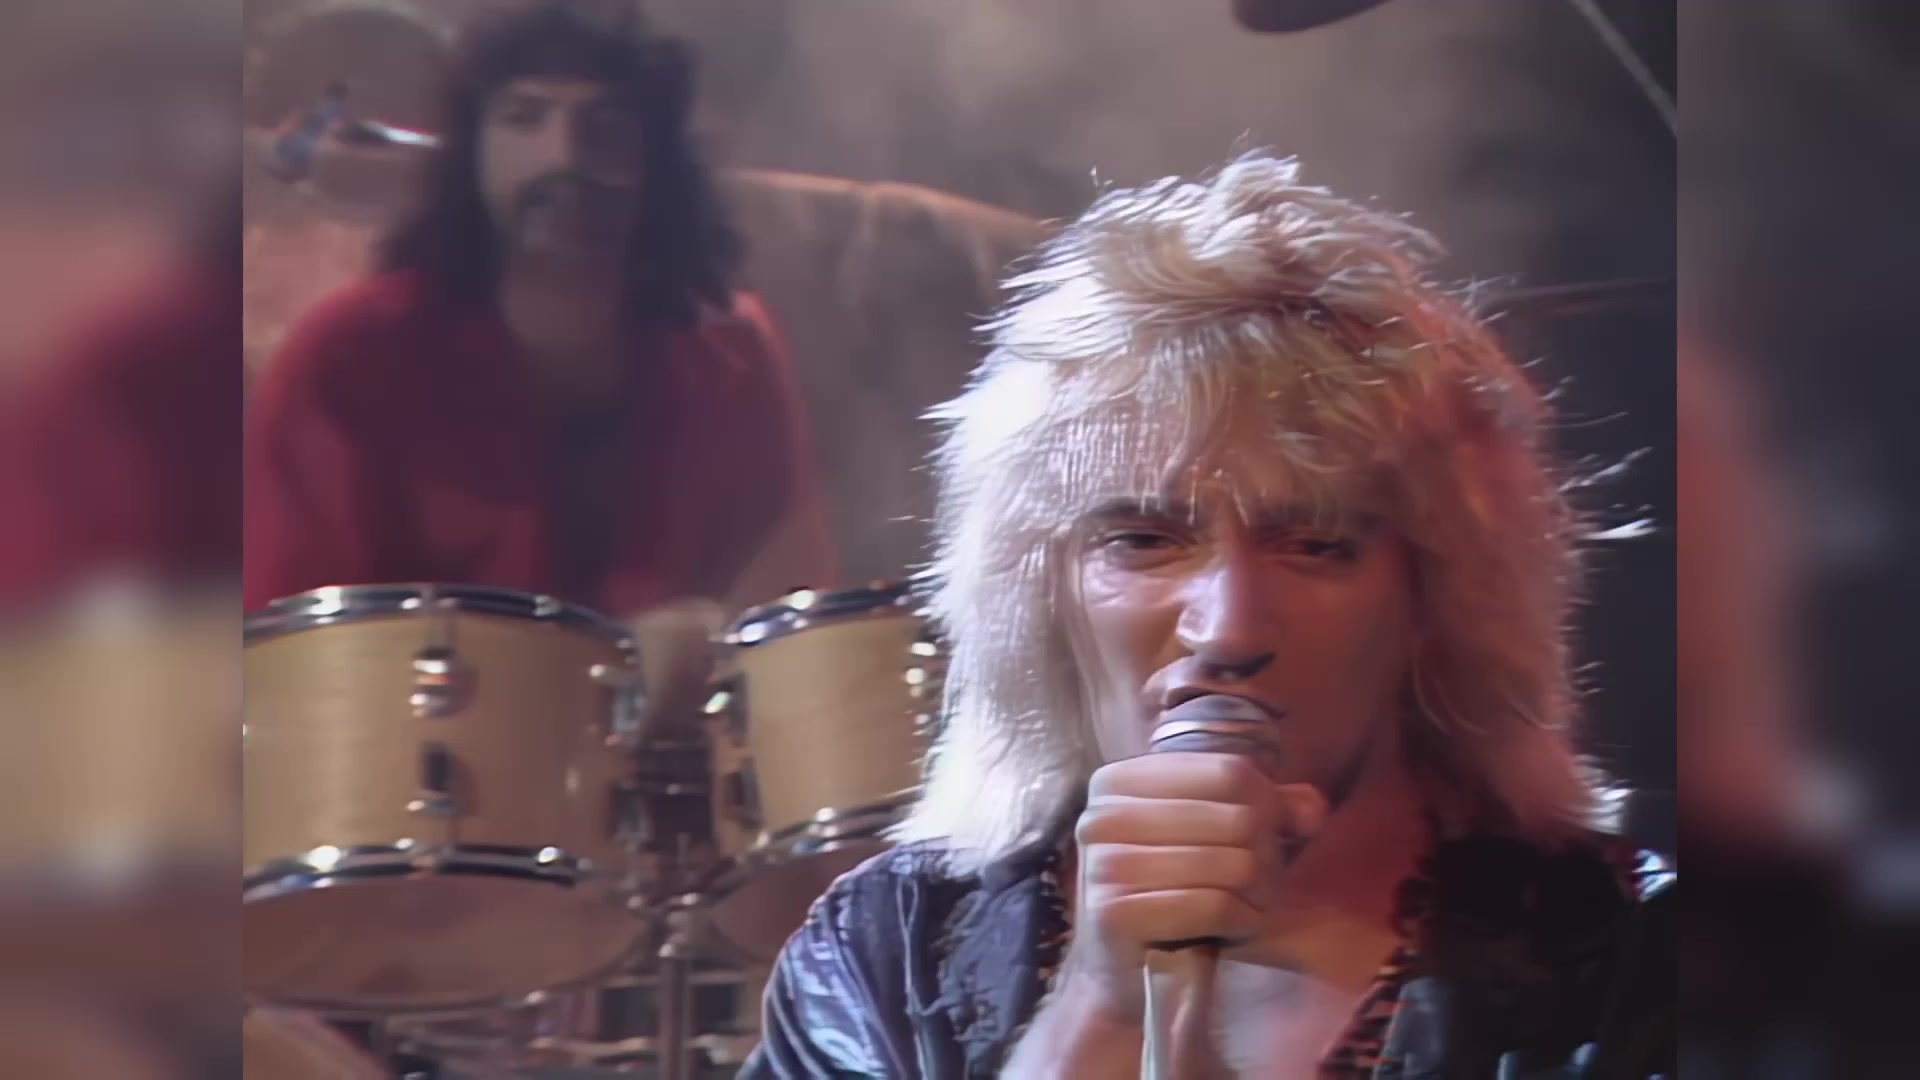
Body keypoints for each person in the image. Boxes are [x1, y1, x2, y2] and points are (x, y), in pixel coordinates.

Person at [742, 153, 1672, 1078]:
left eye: (1316, 544)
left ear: (1433, 599)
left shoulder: (1648, 965)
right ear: (1039, 593)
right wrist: (1097, 1007)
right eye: (1145, 541)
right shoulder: (887, 956)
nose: (1228, 629)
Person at [243, 3, 835, 618]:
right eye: (524, 118)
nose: (565, 156)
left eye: (606, 123)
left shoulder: (734, 352)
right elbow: (293, 641)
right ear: (471, 151)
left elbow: (790, 614)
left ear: (656, 163)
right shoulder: (348, 359)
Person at [267, 81, 349, 186]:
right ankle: (292, 171)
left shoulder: (336, 108)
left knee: (298, 144)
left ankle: (294, 172)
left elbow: (333, 126)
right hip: (315, 138)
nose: (331, 101)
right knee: (293, 141)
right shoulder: (329, 106)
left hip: (319, 141)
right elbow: (318, 120)